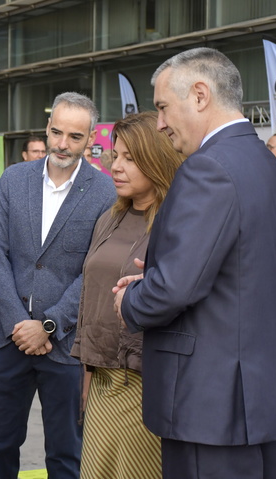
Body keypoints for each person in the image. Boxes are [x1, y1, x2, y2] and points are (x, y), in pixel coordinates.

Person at [113, 47, 276, 479]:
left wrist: (131, 300)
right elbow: (241, 270)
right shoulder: (269, 167)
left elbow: (176, 287)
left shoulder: (207, 168)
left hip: (211, 407)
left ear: (200, 95)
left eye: (161, 107)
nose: (159, 123)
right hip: (262, 401)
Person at [0, 92, 116, 478]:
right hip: (8, 341)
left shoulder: (105, 192)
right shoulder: (13, 179)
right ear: (47, 128)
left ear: (91, 138)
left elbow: (94, 271)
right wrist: (18, 323)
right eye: (56, 132)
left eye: (74, 136)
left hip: (66, 347)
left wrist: (48, 325)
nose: (62, 144)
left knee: (65, 456)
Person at [70, 111, 185, 479]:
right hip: (103, 379)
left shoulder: (177, 221)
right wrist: (87, 378)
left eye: (130, 159)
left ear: (157, 158)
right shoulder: (110, 217)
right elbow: (91, 298)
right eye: (115, 156)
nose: (117, 167)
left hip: (145, 383)